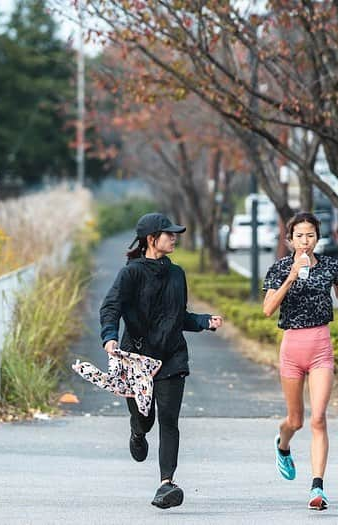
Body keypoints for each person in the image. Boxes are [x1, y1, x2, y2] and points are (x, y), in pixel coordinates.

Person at [99, 212, 223, 509]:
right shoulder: (131, 273)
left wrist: (205, 321)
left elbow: (179, 317)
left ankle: (166, 484)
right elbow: (111, 307)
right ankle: (137, 430)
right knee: (146, 418)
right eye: (169, 234)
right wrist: (109, 337)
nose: (174, 237)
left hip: (171, 357)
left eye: (175, 233)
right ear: (151, 239)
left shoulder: (177, 273)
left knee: (169, 420)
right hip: (136, 359)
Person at [262, 211, 338, 511]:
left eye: (310, 235)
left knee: (318, 418)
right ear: (290, 240)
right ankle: (283, 445)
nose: (305, 240)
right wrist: (290, 276)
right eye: (299, 236)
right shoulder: (278, 269)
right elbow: (268, 309)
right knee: (295, 421)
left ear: (317, 237)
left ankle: (317, 488)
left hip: (321, 347)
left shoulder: (328, 266)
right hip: (292, 348)